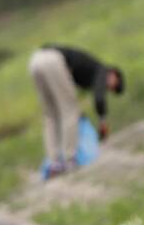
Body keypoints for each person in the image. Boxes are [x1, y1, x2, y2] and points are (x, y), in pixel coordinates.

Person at [28, 44, 124, 177]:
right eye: (114, 86)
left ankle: (54, 163)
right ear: (114, 74)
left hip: (35, 60)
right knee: (70, 111)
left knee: (51, 115)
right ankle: (69, 159)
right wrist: (102, 120)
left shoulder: (90, 70)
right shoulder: (103, 70)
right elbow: (99, 98)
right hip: (53, 61)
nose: (110, 89)